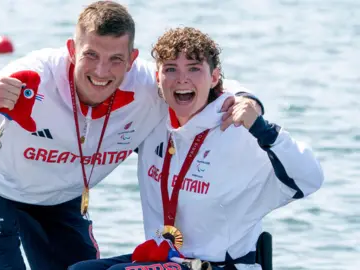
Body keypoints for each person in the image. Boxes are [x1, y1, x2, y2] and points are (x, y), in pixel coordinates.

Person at [0, 2, 263, 270]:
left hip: (59, 195)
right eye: (90, 55)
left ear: (132, 60)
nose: (101, 71)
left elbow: (204, 84)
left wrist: (249, 102)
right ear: (71, 50)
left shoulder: (146, 86)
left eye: (115, 60)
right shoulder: (31, 79)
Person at [68, 27, 324, 270]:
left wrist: (263, 129)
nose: (182, 79)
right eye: (171, 69)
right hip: (167, 258)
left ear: (214, 77)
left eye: (194, 69)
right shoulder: (153, 120)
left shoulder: (238, 129)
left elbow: (309, 178)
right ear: (158, 77)